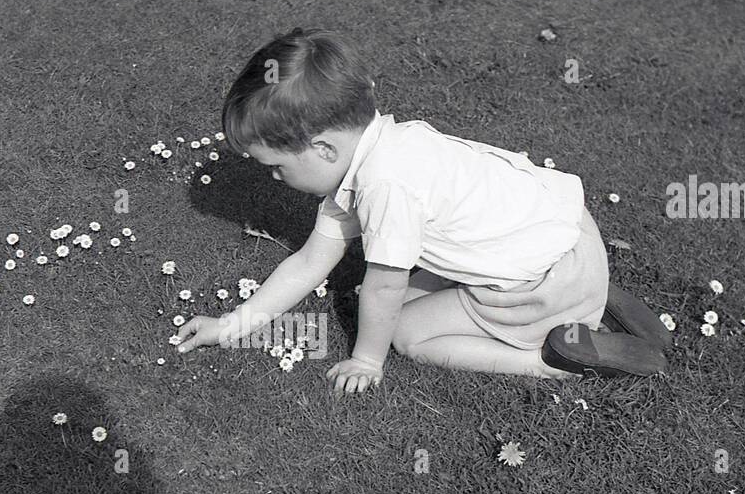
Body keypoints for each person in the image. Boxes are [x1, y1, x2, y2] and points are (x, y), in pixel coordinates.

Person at [177, 27, 671, 394]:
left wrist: (368, 359)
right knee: (396, 298)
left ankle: (549, 359)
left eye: (277, 166)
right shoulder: (389, 146)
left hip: (540, 280)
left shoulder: (384, 187)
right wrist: (231, 325)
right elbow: (311, 261)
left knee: (409, 331)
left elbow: (384, 283)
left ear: (324, 149)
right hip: (572, 238)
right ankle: (591, 296)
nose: (273, 178)